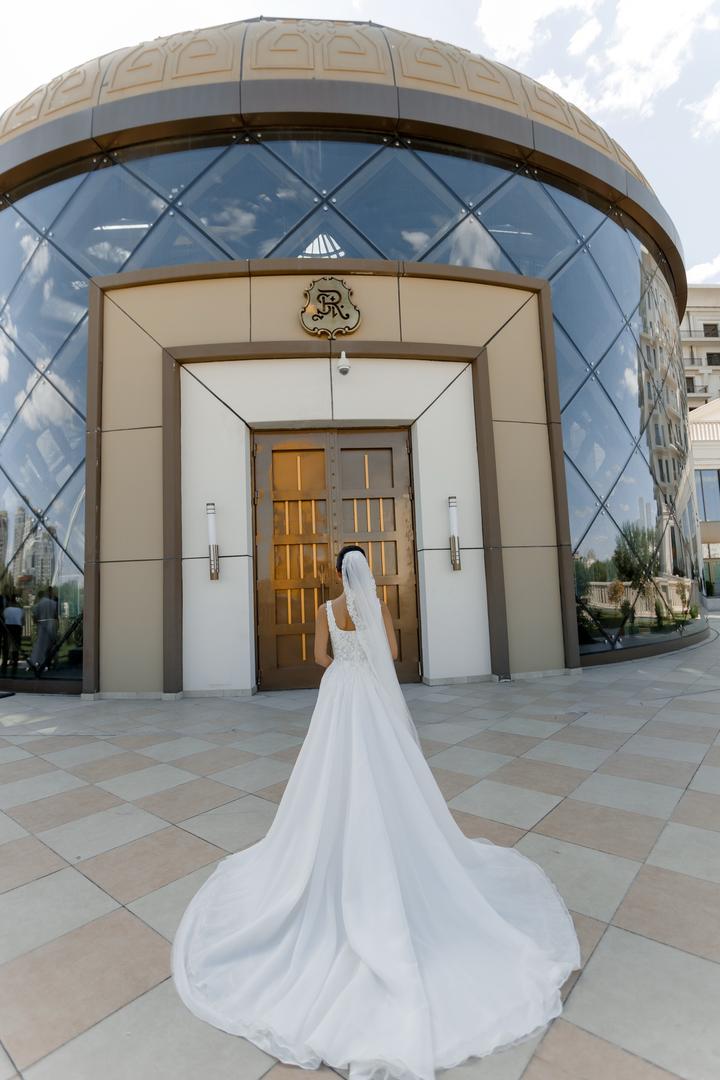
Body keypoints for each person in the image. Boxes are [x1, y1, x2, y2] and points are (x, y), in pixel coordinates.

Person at [172, 546, 581, 1080]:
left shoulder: (325, 610)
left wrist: (344, 664)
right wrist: (365, 658)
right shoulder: (379, 608)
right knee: (386, 769)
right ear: (365, 570)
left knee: (328, 770)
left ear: (338, 573)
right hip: (369, 692)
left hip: (338, 693)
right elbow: (390, 652)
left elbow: (319, 658)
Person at [28, 587, 58, 676]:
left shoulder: (38, 605)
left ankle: (39, 662)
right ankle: (52, 662)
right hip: (52, 624)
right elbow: (56, 615)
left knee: (41, 645)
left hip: (42, 626)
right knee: (52, 645)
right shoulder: (53, 603)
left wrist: (37, 623)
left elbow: (35, 617)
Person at [1, 596, 24, 678]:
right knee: (16, 645)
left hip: (8, 626)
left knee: (6, 644)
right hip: (17, 627)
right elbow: (23, 621)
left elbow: (3, 618)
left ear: (10, 602)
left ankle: (4, 662)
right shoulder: (20, 610)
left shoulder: (6, 610)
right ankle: (15, 661)